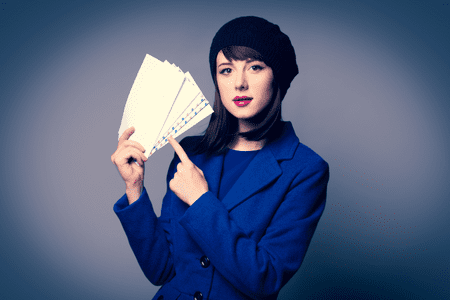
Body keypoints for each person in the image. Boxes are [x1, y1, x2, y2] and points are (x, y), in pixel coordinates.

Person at [111, 16, 329, 300]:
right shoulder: (189, 153)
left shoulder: (305, 170)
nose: (239, 83)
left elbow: (265, 279)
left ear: (277, 77)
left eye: (255, 67)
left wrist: (200, 200)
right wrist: (134, 189)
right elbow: (161, 270)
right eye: (226, 70)